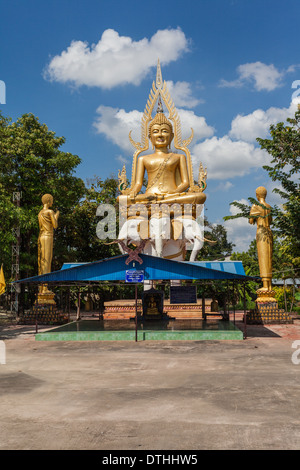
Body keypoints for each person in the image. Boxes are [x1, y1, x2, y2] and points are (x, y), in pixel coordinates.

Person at [119, 111, 206, 207]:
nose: (160, 135)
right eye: (155, 132)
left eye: (164, 131)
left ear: (172, 136)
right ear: (150, 137)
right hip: (150, 195)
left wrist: (173, 192)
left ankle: (159, 202)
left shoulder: (179, 157)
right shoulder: (143, 159)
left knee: (200, 196)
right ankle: (160, 202)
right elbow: (138, 184)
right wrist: (133, 192)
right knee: (122, 199)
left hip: (172, 195)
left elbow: (186, 183)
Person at [249, 186, 273, 291]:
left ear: (257, 195)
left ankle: (265, 285)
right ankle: (269, 285)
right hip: (269, 232)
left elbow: (251, 221)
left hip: (261, 232)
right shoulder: (269, 207)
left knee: (263, 258)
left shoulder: (256, 206)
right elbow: (271, 221)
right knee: (269, 258)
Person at [37, 194, 59, 294]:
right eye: (52, 200)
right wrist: (56, 215)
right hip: (47, 236)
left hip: (41, 236)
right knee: (46, 261)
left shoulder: (40, 213)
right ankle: (45, 288)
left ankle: (41, 288)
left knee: (41, 261)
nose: (52, 203)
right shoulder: (50, 212)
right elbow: (55, 225)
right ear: (49, 201)